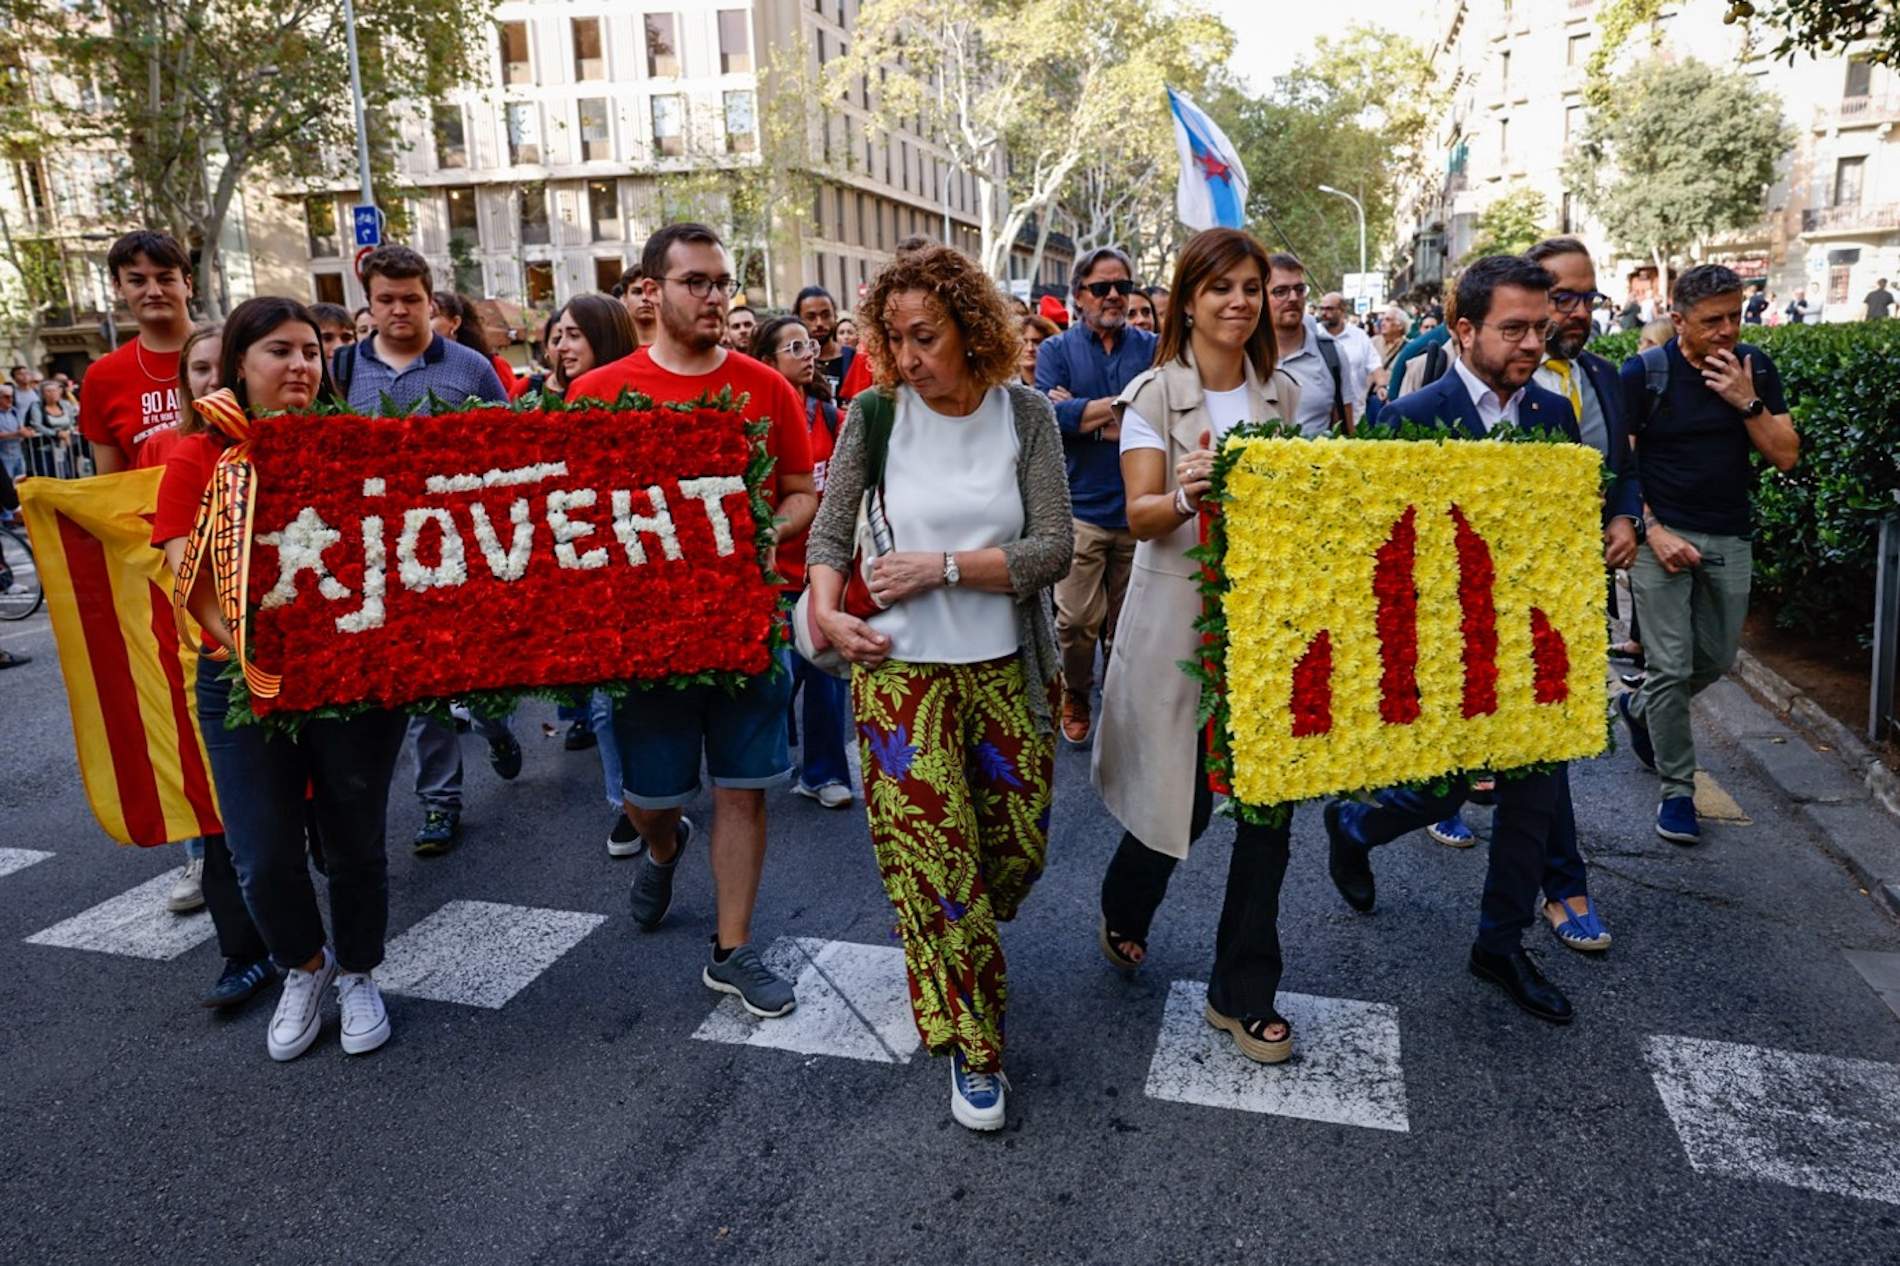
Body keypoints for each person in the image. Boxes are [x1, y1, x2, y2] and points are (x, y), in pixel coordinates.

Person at [804, 242, 1071, 1131]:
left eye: (926, 336)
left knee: (1014, 852)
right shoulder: (873, 418)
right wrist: (825, 613)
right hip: (898, 677)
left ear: (971, 329)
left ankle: (943, 947)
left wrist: (946, 567)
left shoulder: (1025, 415)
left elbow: (1052, 550)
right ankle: (976, 1046)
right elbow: (829, 537)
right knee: (943, 866)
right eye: (894, 338)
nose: (909, 356)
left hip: (1004, 675)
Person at [1325, 255, 1591, 1025]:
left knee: (1532, 796)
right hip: (1441, 650)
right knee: (1442, 790)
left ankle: (1498, 945)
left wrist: (1609, 528)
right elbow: (1371, 541)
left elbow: (1566, 524)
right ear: (1464, 329)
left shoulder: (1554, 417)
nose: (1532, 343)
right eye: (1514, 328)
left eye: (1540, 328)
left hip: (1528, 649)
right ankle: (1356, 825)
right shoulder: (1412, 418)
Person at [568, 222, 817, 1020]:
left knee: (744, 791)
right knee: (652, 797)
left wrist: (754, 535)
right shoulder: (598, 395)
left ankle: (732, 950)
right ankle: (662, 844)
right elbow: (570, 512)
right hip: (646, 642)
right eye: (696, 283)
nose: (714, 298)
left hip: (749, 626)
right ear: (650, 291)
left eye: (722, 283)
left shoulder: (765, 387)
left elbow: (803, 491)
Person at [159, 296, 409, 1060]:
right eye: (279, 351)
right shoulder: (198, 455)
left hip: (351, 679)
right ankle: (306, 965)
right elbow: (183, 567)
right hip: (243, 681)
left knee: (354, 842)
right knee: (261, 854)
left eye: (310, 351)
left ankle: (360, 971)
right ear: (240, 363)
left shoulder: (353, 443)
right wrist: (251, 653)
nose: (300, 364)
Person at [1092, 227, 1303, 1063]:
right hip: (1178, 621)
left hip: (1267, 626)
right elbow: (1138, 515)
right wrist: (1184, 493)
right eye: (1221, 288)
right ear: (1188, 300)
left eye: (1251, 287)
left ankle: (1242, 993)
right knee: (1175, 802)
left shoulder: (1282, 394)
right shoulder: (1152, 396)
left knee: (1267, 810)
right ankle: (1125, 904)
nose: (1240, 302)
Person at [338, 247, 518, 857]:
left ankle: (493, 725)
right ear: (368, 303)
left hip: (459, 548)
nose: (398, 311)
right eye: (385, 300)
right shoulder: (338, 371)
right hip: (376, 555)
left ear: (430, 300)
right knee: (420, 682)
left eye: (410, 299)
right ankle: (440, 804)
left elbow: (512, 449)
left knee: (467, 677)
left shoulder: (471, 367)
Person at [1617, 264, 1799, 846]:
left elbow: (1787, 456)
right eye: (1711, 320)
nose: (1726, 331)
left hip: (1728, 534)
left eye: (1735, 317)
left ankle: (1642, 708)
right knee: (1670, 663)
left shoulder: (1756, 370)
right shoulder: (1645, 373)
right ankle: (1677, 792)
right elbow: (1620, 465)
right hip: (1660, 535)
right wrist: (1652, 529)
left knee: (1715, 660)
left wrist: (1747, 402)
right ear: (1678, 321)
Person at [151, 320, 279, 1009]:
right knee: (230, 820)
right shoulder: (179, 455)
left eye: (217, 369)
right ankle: (247, 953)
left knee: (306, 820)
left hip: (291, 653)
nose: (210, 382)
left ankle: (319, 948)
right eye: (196, 372)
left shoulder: (281, 445)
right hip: (214, 652)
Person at [1034, 246, 1156, 745]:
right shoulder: (1056, 351)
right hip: (1080, 510)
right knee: (1077, 623)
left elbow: (1158, 419)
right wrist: (1125, 412)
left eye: (1122, 287)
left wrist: (1084, 414)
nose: (1113, 297)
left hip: (1140, 509)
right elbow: (1050, 420)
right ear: (1078, 294)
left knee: (1128, 629)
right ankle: (1077, 691)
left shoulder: (1152, 348)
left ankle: (1123, 704)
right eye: (1101, 288)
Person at [539, 294, 643, 848]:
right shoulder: (547, 399)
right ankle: (627, 803)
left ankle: (646, 799)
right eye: (559, 335)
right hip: (580, 576)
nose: (562, 344)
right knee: (604, 705)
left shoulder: (633, 397)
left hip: (632, 569)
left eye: (575, 334)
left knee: (623, 703)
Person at [751, 314, 853, 811]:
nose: (809, 352)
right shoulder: (752, 415)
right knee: (776, 677)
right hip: (770, 569)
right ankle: (758, 767)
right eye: (794, 347)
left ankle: (825, 773)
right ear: (767, 361)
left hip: (821, 565)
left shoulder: (829, 414)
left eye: (810, 344)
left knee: (826, 675)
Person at [79, 230, 196, 473]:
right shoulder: (101, 376)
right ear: (118, 287)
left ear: (188, 284)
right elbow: (110, 483)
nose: (154, 291)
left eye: (165, 279)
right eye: (137, 281)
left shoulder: (232, 353)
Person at [1267, 254, 1360, 436]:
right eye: (1281, 291)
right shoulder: (1241, 356)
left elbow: (1345, 429)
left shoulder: (1331, 354)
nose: (1293, 298)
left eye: (1299, 289)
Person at [433, 290, 523, 400]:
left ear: (455, 322)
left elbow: (514, 407)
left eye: (431, 317)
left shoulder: (492, 365)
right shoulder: (416, 365)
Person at [794, 285, 855, 398]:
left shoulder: (854, 359)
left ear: (835, 316)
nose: (819, 323)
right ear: (798, 319)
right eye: (811, 317)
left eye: (826, 315)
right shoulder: (793, 363)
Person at [616, 264, 659, 345]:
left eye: (652, 291)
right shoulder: (613, 346)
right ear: (624, 298)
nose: (645, 298)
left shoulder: (679, 345)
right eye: (637, 292)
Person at [1019, 314, 1058, 386]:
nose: (1030, 348)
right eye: (1023, 342)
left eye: (1037, 342)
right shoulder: (1001, 388)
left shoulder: (1065, 384)